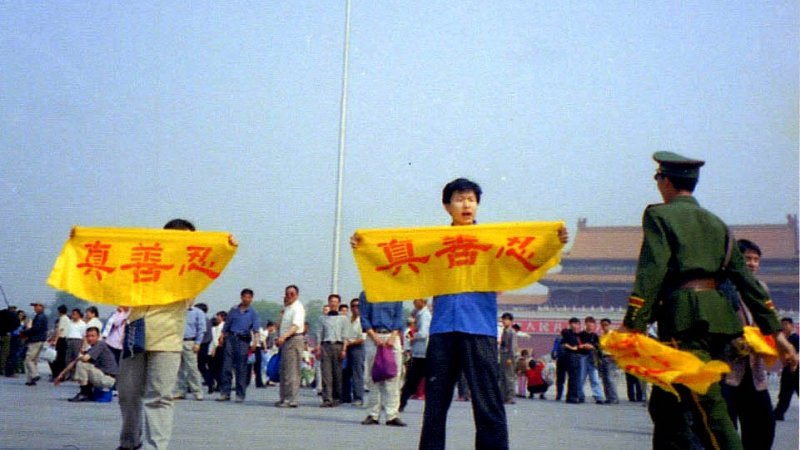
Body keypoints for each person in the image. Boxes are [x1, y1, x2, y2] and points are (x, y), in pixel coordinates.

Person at [351, 178, 567, 449]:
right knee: (435, 405)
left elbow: (525, 258)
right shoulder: (434, 243)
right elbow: (398, 258)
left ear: (477, 205)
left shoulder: (491, 242)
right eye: (460, 199)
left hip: (479, 329)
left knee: (488, 402)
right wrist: (365, 245)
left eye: (471, 199)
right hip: (442, 330)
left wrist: (552, 243)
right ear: (446, 206)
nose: (466, 204)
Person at [622, 152, 798, 450]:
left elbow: (651, 271)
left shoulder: (659, 215)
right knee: (667, 403)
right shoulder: (717, 223)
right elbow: (749, 284)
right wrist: (777, 335)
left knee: (709, 409)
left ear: (664, 181)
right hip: (719, 322)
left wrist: (633, 324)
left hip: (685, 321)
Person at [118, 218, 235, 450]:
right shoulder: (144, 257)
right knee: (127, 393)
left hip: (168, 338)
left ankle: (155, 447)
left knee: (159, 396)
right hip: (136, 333)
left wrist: (226, 247)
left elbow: (212, 264)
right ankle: (129, 441)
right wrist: (80, 244)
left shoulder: (190, 268)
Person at [720, 239, 776, 449]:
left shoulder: (761, 288)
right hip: (727, 371)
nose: (753, 263)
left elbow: (769, 322)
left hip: (754, 370)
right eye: (748, 259)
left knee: (764, 426)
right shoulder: (721, 288)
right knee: (726, 429)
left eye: (756, 260)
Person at [358, 291, 406, 427]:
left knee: (393, 376)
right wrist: (375, 337)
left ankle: (392, 414)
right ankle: (373, 414)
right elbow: (364, 318)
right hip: (373, 336)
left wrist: (393, 336)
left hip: (392, 336)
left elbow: (399, 316)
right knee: (373, 376)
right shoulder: (366, 293)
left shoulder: (395, 293)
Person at [217, 289, 260, 403]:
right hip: (231, 339)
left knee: (241, 368)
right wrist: (222, 336)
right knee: (226, 366)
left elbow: (256, 329)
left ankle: (240, 394)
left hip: (243, 341)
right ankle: (225, 392)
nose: (246, 299)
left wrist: (255, 342)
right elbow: (226, 325)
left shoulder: (253, 313)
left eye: (249, 297)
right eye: (244, 297)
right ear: (241, 297)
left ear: (251, 299)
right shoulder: (233, 310)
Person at [55, 326, 118, 402]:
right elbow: (74, 362)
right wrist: (61, 374)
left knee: (82, 364)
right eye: (88, 336)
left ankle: (84, 393)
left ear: (98, 336)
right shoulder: (92, 348)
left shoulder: (100, 345)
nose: (90, 338)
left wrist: (82, 350)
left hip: (108, 379)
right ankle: (87, 392)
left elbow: (84, 359)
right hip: (103, 377)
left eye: (92, 336)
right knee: (79, 364)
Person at [275, 285, 305, 408]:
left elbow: (295, 326)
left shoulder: (298, 308)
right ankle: (284, 397)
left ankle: (291, 399)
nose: (289, 296)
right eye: (287, 294)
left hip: (293, 339)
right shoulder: (287, 308)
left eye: (292, 294)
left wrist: (283, 337)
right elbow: (278, 325)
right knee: (284, 370)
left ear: (297, 295)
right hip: (285, 341)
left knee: (291, 371)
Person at [317, 294, 348, 407]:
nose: (333, 304)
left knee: (337, 373)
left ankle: (336, 397)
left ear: (338, 303)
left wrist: (344, 349)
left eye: (335, 302)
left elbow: (345, 335)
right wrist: (318, 347)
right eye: (331, 301)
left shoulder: (343, 319)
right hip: (326, 345)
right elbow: (319, 333)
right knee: (326, 373)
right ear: (329, 303)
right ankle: (327, 398)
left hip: (338, 346)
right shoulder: (322, 318)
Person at [400, 298, 431, 412]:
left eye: (416, 301)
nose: (414, 303)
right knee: (414, 379)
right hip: (420, 351)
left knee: (413, 379)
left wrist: (414, 336)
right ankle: (402, 401)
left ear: (422, 302)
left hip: (422, 352)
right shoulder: (420, 314)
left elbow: (423, 333)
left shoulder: (425, 315)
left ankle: (401, 402)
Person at [174, 302, 206, 401]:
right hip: (177, 341)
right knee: (179, 369)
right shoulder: (178, 311)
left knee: (192, 368)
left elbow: (201, 329)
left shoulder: (198, 312)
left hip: (190, 342)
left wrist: (198, 343)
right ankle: (180, 391)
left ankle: (197, 392)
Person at [774, 317, 799, 421]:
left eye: (786, 324)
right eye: (782, 324)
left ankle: (778, 413)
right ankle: (778, 413)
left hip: (796, 370)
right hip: (788, 370)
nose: (783, 327)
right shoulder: (785, 339)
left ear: (792, 325)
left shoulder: (796, 338)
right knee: (784, 393)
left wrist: (795, 364)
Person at [342, 297, 366, 406]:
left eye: (358, 306)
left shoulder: (363, 320)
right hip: (347, 347)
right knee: (345, 372)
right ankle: (346, 396)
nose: (356, 308)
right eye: (353, 306)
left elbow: (362, 338)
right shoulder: (348, 320)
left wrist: (348, 343)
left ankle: (358, 397)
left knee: (357, 373)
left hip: (357, 347)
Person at [577, 316, 604, 404]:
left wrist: (592, 346)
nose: (590, 326)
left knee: (595, 378)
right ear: (585, 324)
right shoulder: (580, 334)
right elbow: (577, 345)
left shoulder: (595, 336)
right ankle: (580, 396)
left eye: (592, 324)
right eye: (588, 324)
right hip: (582, 357)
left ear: (594, 325)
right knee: (581, 377)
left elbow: (598, 346)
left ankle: (598, 396)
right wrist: (583, 346)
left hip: (592, 358)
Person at [21, 301, 48, 386]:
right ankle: (30, 380)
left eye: (37, 306)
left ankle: (35, 375)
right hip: (40, 340)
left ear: (42, 307)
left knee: (28, 359)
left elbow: (35, 329)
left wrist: (25, 332)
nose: (35, 308)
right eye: (34, 306)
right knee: (34, 361)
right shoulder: (43, 317)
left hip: (35, 340)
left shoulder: (39, 317)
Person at [562, 317, 583, 404]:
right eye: (573, 323)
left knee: (575, 377)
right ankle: (573, 397)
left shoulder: (577, 335)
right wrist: (573, 348)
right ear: (570, 324)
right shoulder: (568, 333)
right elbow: (563, 344)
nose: (575, 326)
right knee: (574, 377)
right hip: (571, 356)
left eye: (577, 324)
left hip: (577, 356)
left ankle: (572, 396)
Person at [597, 318, 619, 405]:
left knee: (610, 379)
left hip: (611, 358)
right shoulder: (602, 336)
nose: (604, 326)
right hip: (603, 358)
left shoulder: (614, 335)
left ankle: (614, 398)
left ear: (610, 325)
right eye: (602, 325)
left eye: (606, 324)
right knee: (605, 379)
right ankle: (608, 398)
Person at [498, 312, 517, 404]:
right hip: (503, 355)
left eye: (505, 320)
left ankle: (510, 397)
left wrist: (510, 358)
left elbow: (512, 347)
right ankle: (503, 397)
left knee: (509, 377)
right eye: (503, 319)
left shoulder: (511, 332)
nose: (503, 321)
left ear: (511, 321)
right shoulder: (504, 331)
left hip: (508, 356)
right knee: (502, 377)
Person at [64, 308, 87, 381]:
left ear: (79, 315)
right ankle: (68, 375)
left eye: (75, 314)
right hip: (69, 340)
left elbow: (84, 336)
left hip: (78, 341)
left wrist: (83, 346)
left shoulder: (82, 324)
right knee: (68, 359)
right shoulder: (69, 322)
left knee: (76, 359)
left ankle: (75, 375)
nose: (73, 316)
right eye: (72, 314)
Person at [49, 305, 70, 381]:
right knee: (62, 358)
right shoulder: (67, 318)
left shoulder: (62, 318)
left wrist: (55, 340)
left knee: (58, 358)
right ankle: (62, 375)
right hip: (65, 340)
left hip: (61, 339)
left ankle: (57, 375)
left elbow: (60, 330)